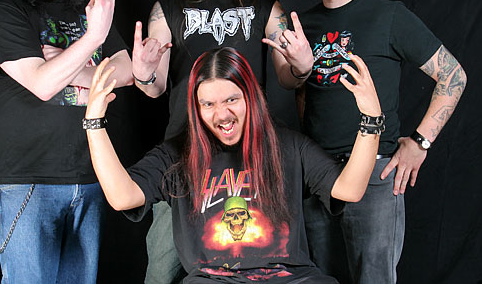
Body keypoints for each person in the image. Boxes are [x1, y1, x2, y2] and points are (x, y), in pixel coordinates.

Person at [85, 47, 385, 283]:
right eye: (208, 104)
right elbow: (123, 196)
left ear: (250, 97)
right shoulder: (178, 153)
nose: (222, 115)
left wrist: (371, 121)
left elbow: (349, 190)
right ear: (196, 107)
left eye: (231, 100)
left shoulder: (289, 145)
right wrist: (94, 125)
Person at [131, 0, 312, 283]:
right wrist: (144, 73)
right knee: (161, 270)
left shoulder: (265, 7)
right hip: (184, 159)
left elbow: (288, 78)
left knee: (253, 271)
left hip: (249, 165)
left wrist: (301, 66)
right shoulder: (168, 10)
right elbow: (155, 87)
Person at [296, 0, 467, 283]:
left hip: (375, 176)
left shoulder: (389, 16)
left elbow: (453, 76)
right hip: (318, 176)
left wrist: (420, 143)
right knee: (317, 278)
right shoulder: (303, 25)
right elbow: (302, 91)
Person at [0, 0, 133, 283]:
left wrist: (67, 63)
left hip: (90, 177)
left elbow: (127, 71)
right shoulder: (5, 10)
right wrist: (92, 43)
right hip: (28, 181)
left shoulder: (87, 12)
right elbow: (43, 84)